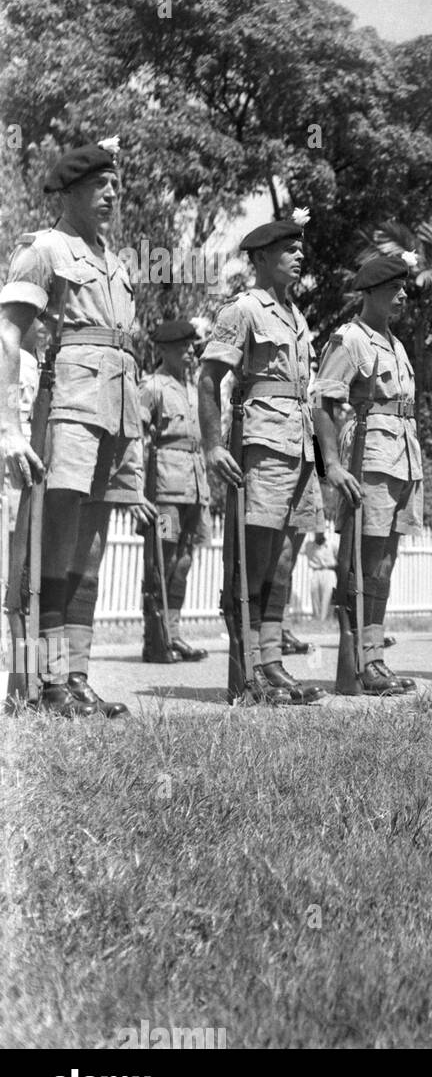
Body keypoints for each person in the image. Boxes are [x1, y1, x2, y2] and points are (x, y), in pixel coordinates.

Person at [0, 138, 154, 717]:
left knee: (90, 551)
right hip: (68, 408)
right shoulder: (45, 248)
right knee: (53, 545)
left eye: (116, 185)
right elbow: (8, 335)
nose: (112, 194)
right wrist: (10, 430)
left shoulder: (115, 262)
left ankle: (78, 677)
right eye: (99, 185)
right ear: (68, 193)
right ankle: (43, 681)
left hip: (116, 410)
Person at [198, 214, 326, 706]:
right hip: (261, 448)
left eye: (298, 250)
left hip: (300, 451)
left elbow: (305, 398)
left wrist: (317, 463)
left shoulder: (298, 317)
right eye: (288, 250)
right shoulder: (243, 310)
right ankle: (245, 673)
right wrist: (213, 447)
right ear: (261, 258)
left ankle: (271, 664)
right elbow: (210, 380)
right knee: (252, 558)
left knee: (287, 558)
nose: (298, 257)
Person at [313, 252, 424, 694]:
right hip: (369, 458)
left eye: (404, 288)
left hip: (402, 458)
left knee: (385, 563)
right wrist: (330, 467)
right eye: (395, 288)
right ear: (373, 291)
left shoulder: (394, 344)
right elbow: (323, 403)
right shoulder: (351, 339)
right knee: (364, 562)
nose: (402, 296)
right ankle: (356, 659)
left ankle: (374, 658)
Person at [139, 319, 210, 663]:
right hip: (165, 490)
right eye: (182, 345)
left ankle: (175, 632)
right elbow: (139, 440)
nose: (190, 351)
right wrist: (137, 488)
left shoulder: (196, 391)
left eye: (192, 345)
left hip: (196, 489)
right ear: (163, 349)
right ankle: (155, 638)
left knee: (184, 560)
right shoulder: (152, 387)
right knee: (161, 559)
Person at [302, 530, 338, 621]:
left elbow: (338, 558)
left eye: (321, 532)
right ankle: (317, 619)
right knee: (315, 594)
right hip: (316, 571)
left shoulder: (331, 544)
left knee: (328, 596)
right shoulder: (309, 545)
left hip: (329, 571)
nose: (319, 534)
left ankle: (326, 619)